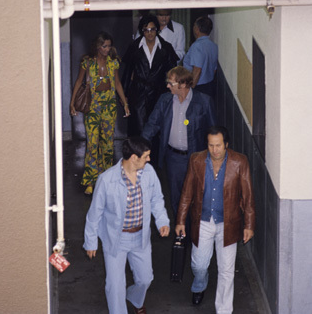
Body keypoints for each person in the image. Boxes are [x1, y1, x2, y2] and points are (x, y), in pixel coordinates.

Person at [84, 136, 170, 314]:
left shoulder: (149, 173)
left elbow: (156, 200)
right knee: (115, 286)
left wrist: (162, 221)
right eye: (146, 156)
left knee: (145, 279)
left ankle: (134, 297)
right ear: (133, 158)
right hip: (116, 239)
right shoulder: (106, 180)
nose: (149, 159)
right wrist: (91, 241)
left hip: (141, 237)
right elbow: (94, 214)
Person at [175, 126, 255, 313]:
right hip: (202, 221)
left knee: (226, 271)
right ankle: (199, 284)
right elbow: (186, 193)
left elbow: (248, 196)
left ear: (226, 144)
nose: (215, 150)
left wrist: (249, 225)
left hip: (229, 223)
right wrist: (180, 220)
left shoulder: (239, 162)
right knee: (199, 264)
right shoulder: (196, 160)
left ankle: (224, 310)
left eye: (218, 145)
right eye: (211, 145)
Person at [142, 66, 216, 218]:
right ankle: (181, 233)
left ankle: (195, 235)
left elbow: (213, 132)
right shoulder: (165, 100)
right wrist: (141, 145)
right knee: (176, 198)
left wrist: (214, 159)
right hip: (173, 158)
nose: (167, 86)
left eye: (171, 83)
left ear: (182, 84)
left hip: (196, 159)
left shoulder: (204, 102)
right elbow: (153, 124)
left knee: (196, 198)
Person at [70, 32, 130, 195]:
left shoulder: (113, 62)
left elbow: (117, 82)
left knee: (108, 145)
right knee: (92, 144)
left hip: (109, 107)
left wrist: (124, 103)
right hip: (93, 108)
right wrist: (73, 102)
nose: (107, 49)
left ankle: (107, 178)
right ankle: (90, 180)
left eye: (109, 46)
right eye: (104, 46)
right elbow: (79, 81)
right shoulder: (87, 62)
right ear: (97, 46)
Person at [122, 14, 178, 136]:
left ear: (157, 30)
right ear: (142, 31)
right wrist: (124, 94)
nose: (150, 33)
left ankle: (156, 155)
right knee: (137, 129)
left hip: (159, 93)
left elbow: (173, 73)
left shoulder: (166, 48)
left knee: (157, 129)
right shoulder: (134, 47)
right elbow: (127, 72)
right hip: (138, 94)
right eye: (146, 30)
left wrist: (173, 93)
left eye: (152, 29)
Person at [183, 16, 218, 98]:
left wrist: (190, 90)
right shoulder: (213, 46)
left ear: (197, 29)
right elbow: (214, 70)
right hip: (209, 86)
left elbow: (197, 70)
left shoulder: (197, 46)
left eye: (194, 25)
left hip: (197, 87)